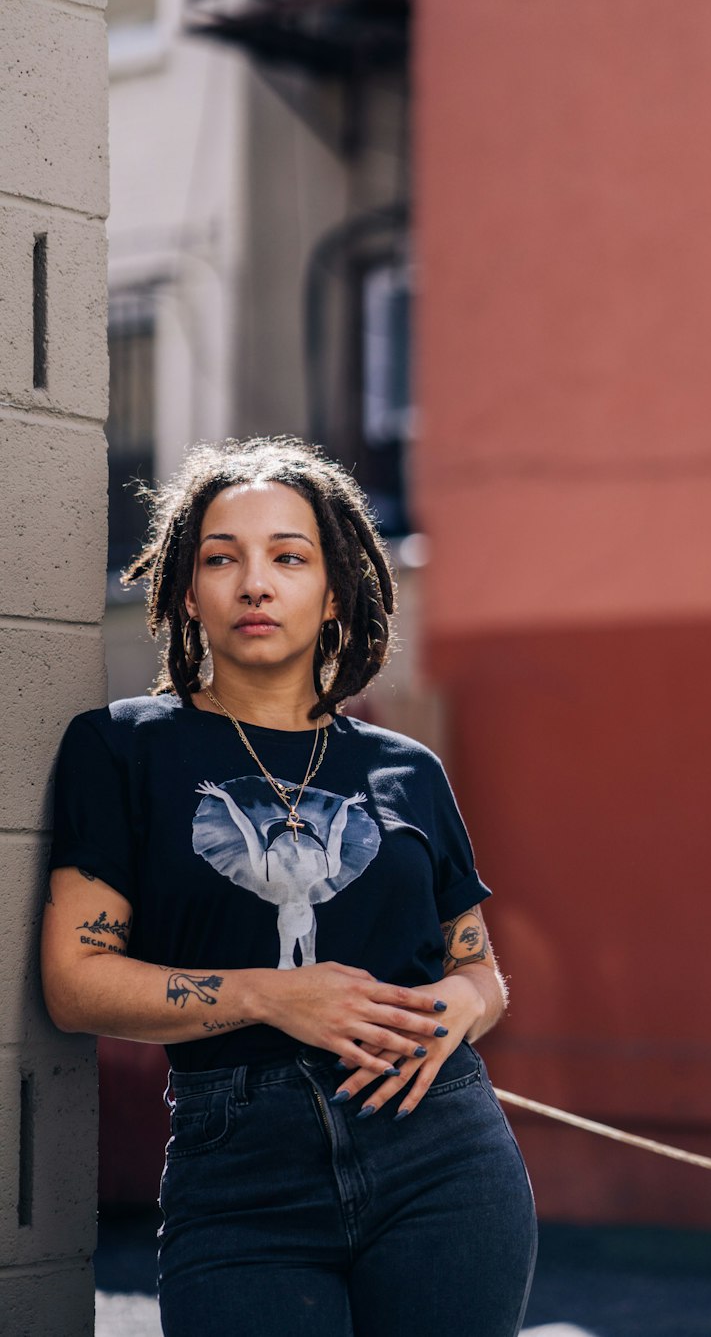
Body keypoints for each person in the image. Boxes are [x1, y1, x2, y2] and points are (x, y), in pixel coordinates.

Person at [41, 436, 537, 1337]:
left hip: (440, 1150)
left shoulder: (407, 769)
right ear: (189, 593)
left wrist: (454, 1014)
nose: (254, 583)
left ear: (336, 590)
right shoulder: (121, 748)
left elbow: (480, 974)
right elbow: (76, 982)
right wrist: (278, 996)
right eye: (222, 558)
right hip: (241, 1172)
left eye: (288, 557)